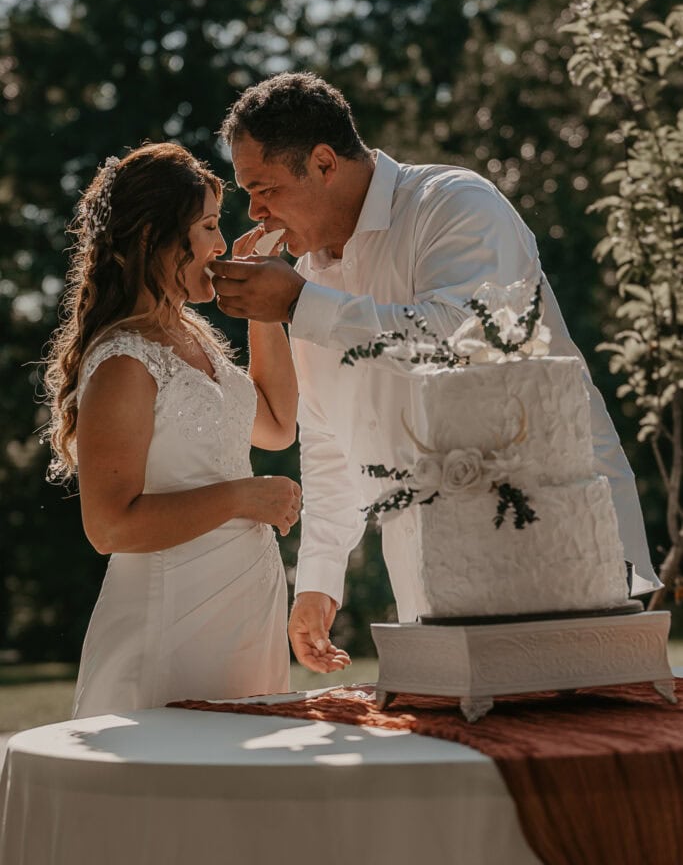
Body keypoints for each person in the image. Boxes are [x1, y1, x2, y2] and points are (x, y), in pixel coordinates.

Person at [211, 72, 661, 674]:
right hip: (427, 561)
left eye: (262, 188)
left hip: (551, 535)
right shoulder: (311, 277)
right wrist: (319, 576)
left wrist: (297, 306)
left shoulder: (453, 203)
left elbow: (461, 340)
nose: (255, 211)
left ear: (322, 163)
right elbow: (326, 437)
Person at [44, 141, 313, 718]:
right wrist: (245, 497)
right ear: (153, 238)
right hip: (172, 617)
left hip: (242, 611)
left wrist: (262, 308)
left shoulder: (192, 336)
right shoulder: (124, 362)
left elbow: (277, 423)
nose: (220, 245)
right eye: (209, 226)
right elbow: (110, 526)